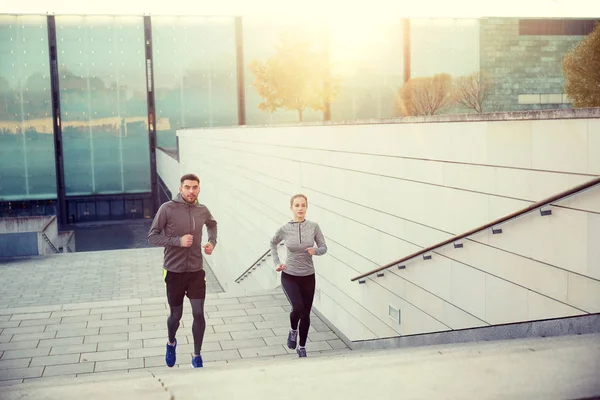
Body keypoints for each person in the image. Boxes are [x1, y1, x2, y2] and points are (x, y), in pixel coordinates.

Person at [148, 173, 217, 368]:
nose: (191, 191)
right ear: (180, 189)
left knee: (199, 314)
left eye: (195, 187)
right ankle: (171, 342)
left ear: (199, 189)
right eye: (187, 187)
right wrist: (178, 242)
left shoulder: (202, 210)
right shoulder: (167, 209)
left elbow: (212, 225)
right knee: (175, 316)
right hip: (174, 271)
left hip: (196, 271)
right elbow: (152, 237)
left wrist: (212, 242)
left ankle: (196, 355)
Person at [269, 194, 327, 358]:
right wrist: (276, 263)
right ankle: (293, 330)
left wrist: (315, 251)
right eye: (297, 205)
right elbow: (272, 243)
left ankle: (302, 347)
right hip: (290, 276)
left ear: (306, 207)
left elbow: (324, 247)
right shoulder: (285, 229)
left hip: (308, 276)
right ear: (291, 208)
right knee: (298, 308)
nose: (300, 208)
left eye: (303, 205)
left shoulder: (314, 227)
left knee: (306, 313)